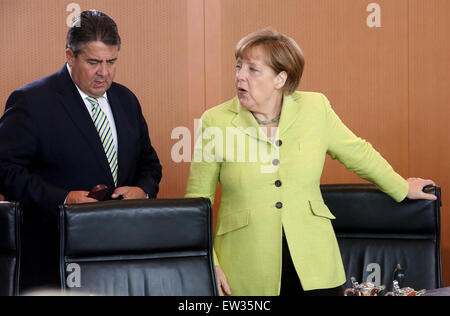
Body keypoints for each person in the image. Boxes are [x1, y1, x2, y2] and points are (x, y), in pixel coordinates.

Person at [185, 28, 436, 296]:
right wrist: (211, 264)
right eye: (238, 66)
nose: (239, 76)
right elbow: (198, 201)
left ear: (281, 78)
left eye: (252, 69)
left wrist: (400, 186)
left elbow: (358, 153)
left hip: (314, 262)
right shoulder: (216, 120)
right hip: (244, 268)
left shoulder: (316, 108)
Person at [0, 10, 162, 292]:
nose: (104, 72)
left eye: (111, 62)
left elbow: (149, 163)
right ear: (70, 56)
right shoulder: (31, 101)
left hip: (120, 255)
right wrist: (64, 199)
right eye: (94, 62)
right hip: (54, 257)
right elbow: (5, 171)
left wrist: (142, 191)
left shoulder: (126, 100)